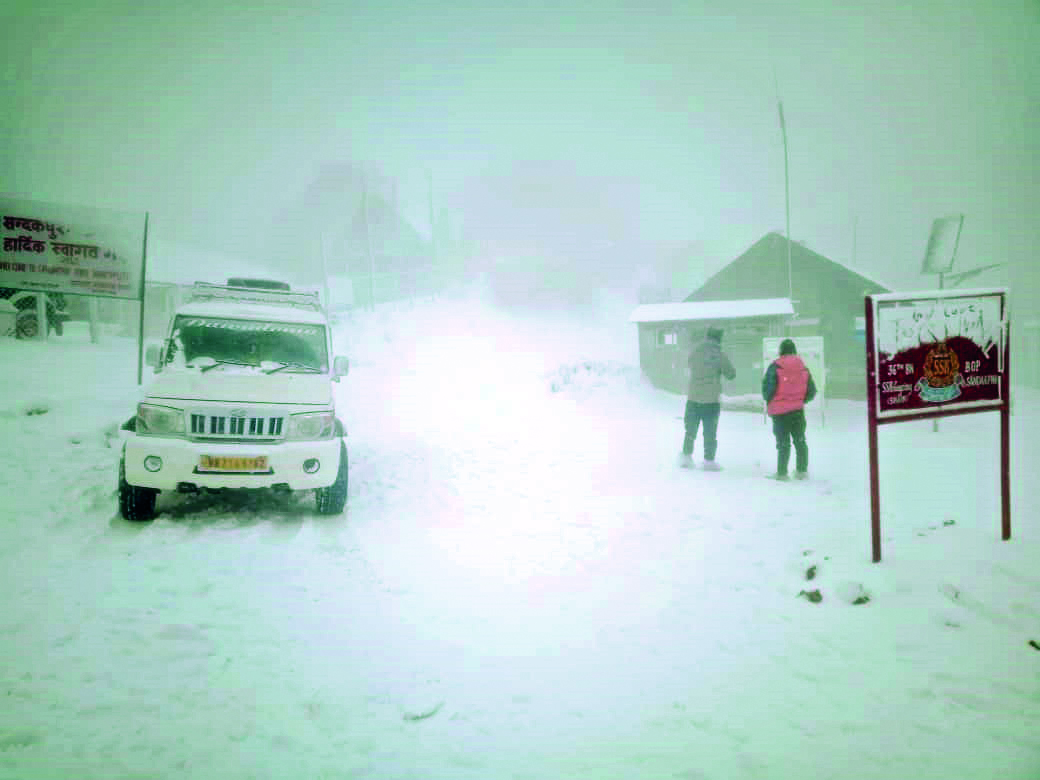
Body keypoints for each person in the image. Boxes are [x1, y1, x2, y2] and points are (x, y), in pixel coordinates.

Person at [679, 326, 736, 470]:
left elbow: (689, 364)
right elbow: (731, 374)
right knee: (710, 432)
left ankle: (686, 457)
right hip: (711, 400)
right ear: (719, 339)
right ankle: (709, 461)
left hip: (693, 398)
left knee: (690, 430)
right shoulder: (719, 355)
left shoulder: (695, 351)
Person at [762, 338, 817, 480]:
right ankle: (801, 471)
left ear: (781, 351)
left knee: (783, 443)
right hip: (797, 411)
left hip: (780, 412)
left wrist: (772, 401)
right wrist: (799, 400)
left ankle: (782, 473)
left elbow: (767, 389)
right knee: (800, 440)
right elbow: (812, 391)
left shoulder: (775, 366)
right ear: (794, 350)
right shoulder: (803, 367)